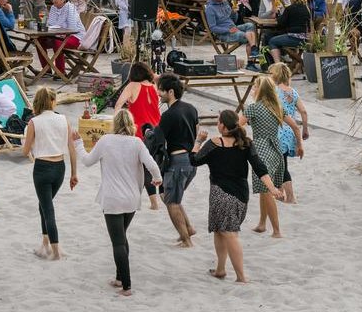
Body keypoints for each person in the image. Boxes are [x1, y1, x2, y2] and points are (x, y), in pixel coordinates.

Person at [78, 109, 162, 297]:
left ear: (115, 124)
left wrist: (77, 143)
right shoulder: (137, 143)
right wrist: (157, 179)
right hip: (131, 199)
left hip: (113, 199)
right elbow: (152, 165)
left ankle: (127, 286)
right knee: (122, 237)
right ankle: (119, 278)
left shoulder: (106, 141)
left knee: (117, 242)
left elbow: (86, 161)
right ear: (131, 125)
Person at [192, 109, 275, 283]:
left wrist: (198, 142)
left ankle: (241, 277)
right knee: (219, 230)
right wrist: (272, 188)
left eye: (218, 121)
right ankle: (221, 269)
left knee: (229, 232)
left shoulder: (214, 143)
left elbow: (194, 161)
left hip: (221, 194)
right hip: (241, 195)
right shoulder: (245, 143)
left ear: (222, 125)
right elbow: (259, 167)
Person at [20, 86, 78, 260]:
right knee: (43, 205)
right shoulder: (63, 119)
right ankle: (45, 243)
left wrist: (31, 144)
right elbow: (71, 147)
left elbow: (25, 151)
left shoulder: (34, 122)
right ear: (53, 101)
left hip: (42, 168)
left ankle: (56, 250)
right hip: (60, 167)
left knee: (47, 208)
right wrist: (74, 173)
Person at [155, 74, 200, 248]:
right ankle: (188, 228)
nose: (159, 93)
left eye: (161, 90)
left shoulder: (168, 115)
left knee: (171, 201)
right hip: (191, 159)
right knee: (175, 197)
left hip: (177, 161)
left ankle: (186, 240)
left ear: (171, 92)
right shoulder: (191, 108)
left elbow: (158, 139)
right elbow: (197, 131)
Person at [245, 76, 291, 237]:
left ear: (261, 89)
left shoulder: (253, 108)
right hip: (276, 149)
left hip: (261, 149)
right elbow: (295, 127)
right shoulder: (277, 107)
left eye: (255, 87)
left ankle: (277, 231)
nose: (253, 89)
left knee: (266, 189)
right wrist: (299, 143)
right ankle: (262, 224)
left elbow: (236, 125)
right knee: (265, 188)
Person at [115, 62, 162, 210]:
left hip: (139, 132)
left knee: (141, 167)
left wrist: (116, 123)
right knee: (153, 164)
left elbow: (118, 105)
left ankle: (153, 203)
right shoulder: (154, 86)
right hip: (157, 129)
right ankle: (152, 199)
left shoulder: (132, 86)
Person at [268, 62, 309, 198]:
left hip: (277, 131)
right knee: (281, 163)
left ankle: (290, 197)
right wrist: (305, 130)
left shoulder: (273, 91)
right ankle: (279, 194)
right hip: (290, 131)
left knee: (281, 166)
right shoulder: (293, 92)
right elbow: (303, 111)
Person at [37, 0, 84, 76]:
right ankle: (46, 69)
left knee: (57, 42)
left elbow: (72, 29)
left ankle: (60, 72)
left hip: (76, 37)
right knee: (39, 40)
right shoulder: (53, 8)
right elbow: (50, 24)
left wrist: (59, 33)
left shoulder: (71, 8)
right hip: (58, 36)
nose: (53, 0)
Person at [260, 0, 311, 69]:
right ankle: (284, 59)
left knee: (272, 41)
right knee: (273, 36)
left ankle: (279, 66)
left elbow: (281, 23)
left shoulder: (290, 9)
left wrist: (278, 16)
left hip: (295, 38)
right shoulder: (307, 8)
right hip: (306, 39)